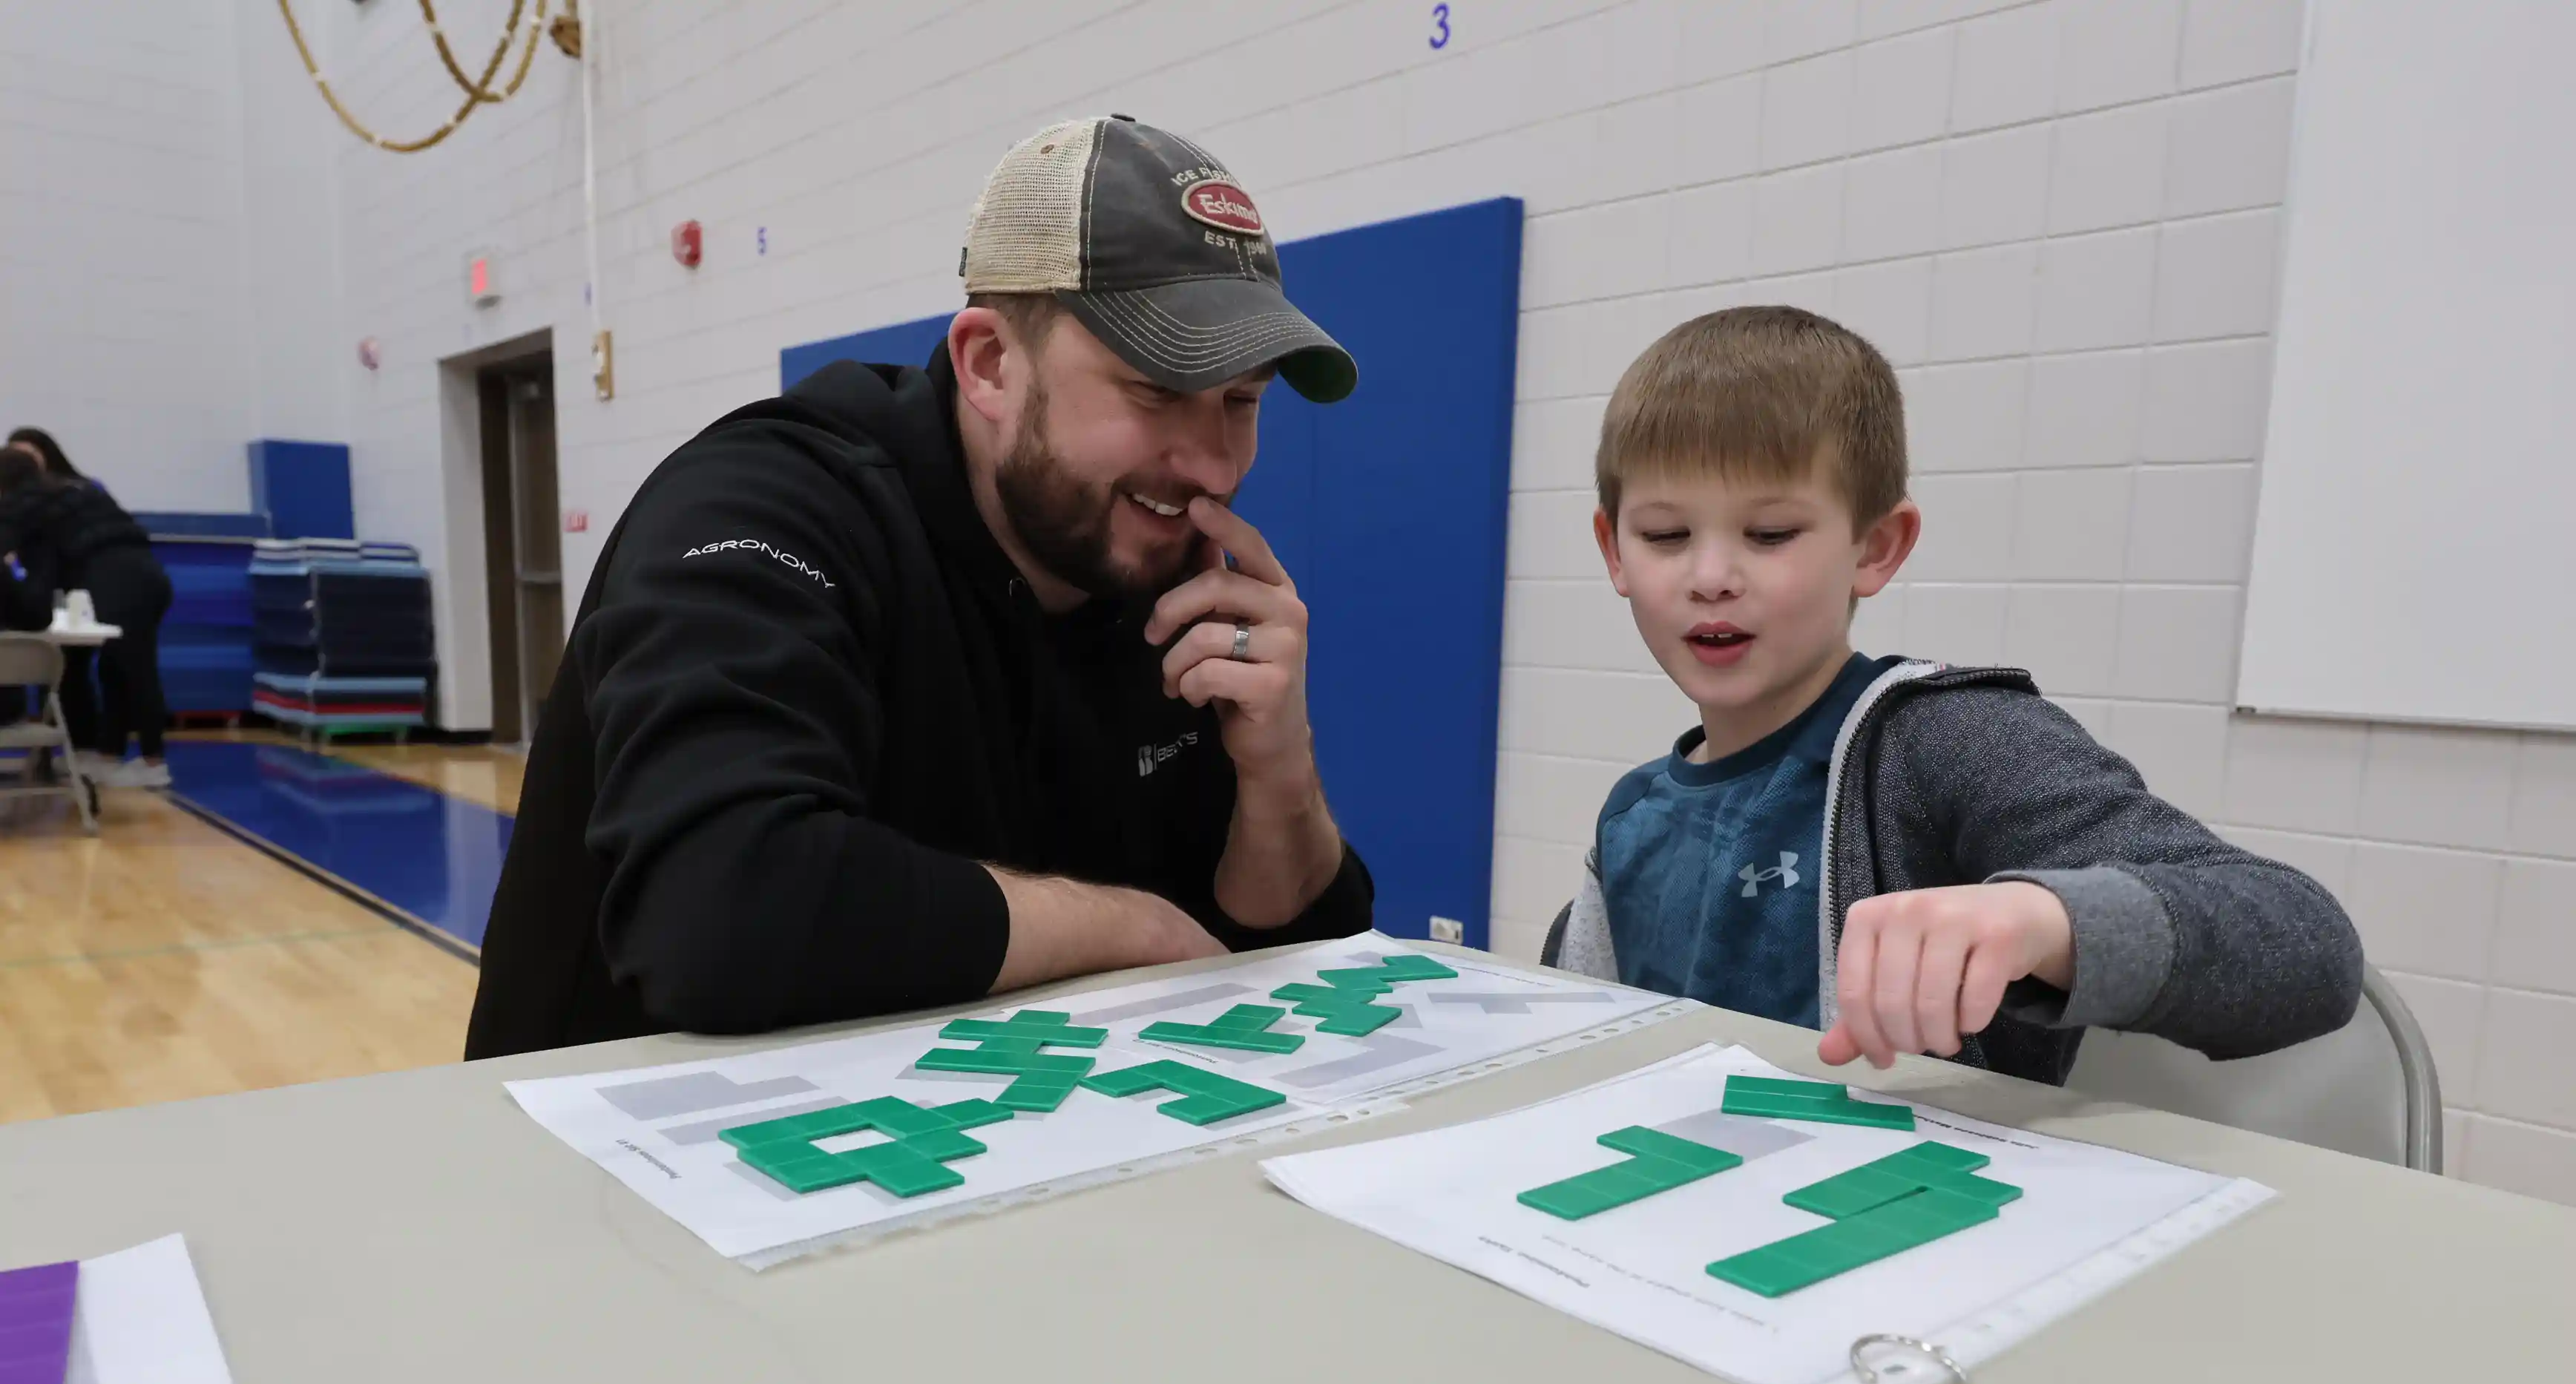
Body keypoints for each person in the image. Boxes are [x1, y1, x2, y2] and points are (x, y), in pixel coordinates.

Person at [468, 117, 1373, 1057]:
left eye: (1241, 400)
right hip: (616, 1157)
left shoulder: (1155, 569)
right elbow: (719, 909)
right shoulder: (767, 505)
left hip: (969, 1153)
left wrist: (1280, 774)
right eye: (1153, 391)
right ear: (990, 363)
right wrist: (1131, 930)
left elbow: (1296, 975)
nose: (1216, 469)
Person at [1552, 307, 2362, 1081]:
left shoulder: (1944, 741)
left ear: (1876, 546)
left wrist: (2043, 922)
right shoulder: (1633, 819)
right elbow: (1578, 1049)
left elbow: (2308, 945)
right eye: (1665, 536)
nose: (1710, 578)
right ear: (1613, 552)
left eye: (1769, 535)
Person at [0, 435, 174, 788]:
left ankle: (153, 762)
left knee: (133, 668)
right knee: (119, 667)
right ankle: (107, 756)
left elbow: (29, 567)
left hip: (114, 578)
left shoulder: (26, 504)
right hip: (147, 574)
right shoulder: (74, 491)